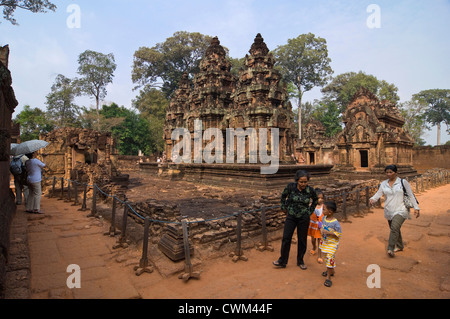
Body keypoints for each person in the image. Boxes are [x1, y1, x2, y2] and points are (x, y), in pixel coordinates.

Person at [369, 164, 420, 257]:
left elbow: (411, 195)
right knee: (395, 229)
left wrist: (416, 208)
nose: (388, 174)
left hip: (401, 209)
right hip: (389, 209)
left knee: (394, 228)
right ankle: (400, 246)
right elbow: (378, 194)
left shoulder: (403, 182)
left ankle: (390, 249)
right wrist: (372, 199)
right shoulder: (384, 183)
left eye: (391, 172)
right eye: (387, 172)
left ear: (396, 173)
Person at [273, 170, 318, 270]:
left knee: (302, 239)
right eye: (301, 182)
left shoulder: (310, 190)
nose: (303, 184)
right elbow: (283, 196)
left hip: (304, 217)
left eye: (305, 182)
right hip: (291, 216)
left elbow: (315, 200)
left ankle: (300, 261)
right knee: (286, 238)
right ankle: (282, 261)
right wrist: (283, 207)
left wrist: (310, 211)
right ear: (297, 180)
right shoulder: (290, 187)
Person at [319, 201, 342, 288]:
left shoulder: (335, 222)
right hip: (325, 242)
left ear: (330, 211)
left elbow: (339, 234)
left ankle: (329, 277)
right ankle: (331, 271)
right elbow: (321, 226)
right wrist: (321, 230)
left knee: (329, 258)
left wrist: (329, 232)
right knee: (325, 257)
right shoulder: (323, 218)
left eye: (324, 209)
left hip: (332, 244)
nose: (322, 210)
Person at [308, 188, 324, 264]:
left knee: (320, 240)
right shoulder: (311, 206)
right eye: (318, 198)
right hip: (312, 225)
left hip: (320, 226)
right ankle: (314, 247)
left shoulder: (324, 207)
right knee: (313, 239)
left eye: (322, 198)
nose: (320, 200)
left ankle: (320, 255)